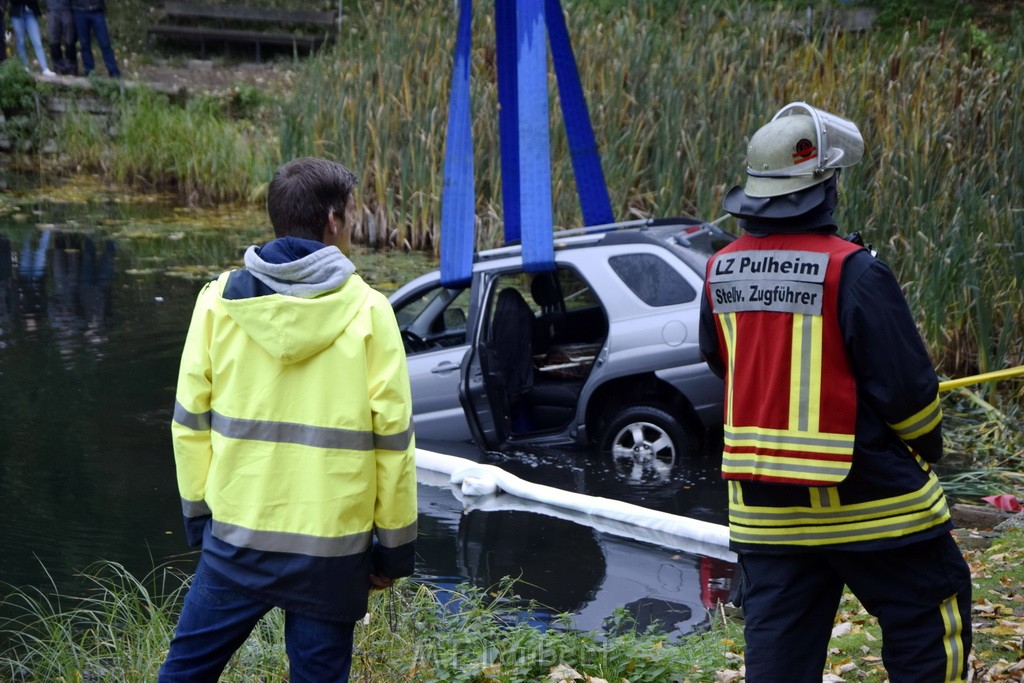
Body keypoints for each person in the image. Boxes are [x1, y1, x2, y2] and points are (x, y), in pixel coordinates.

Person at [699, 103, 972, 682]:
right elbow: (909, 393)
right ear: (823, 192)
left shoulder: (719, 271)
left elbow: (721, 363)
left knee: (778, 658)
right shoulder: (854, 271)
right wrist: (927, 448)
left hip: (765, 516)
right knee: (929, 618)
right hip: (876, 506)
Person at [160, 157, 418, 682]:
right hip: (331, 554)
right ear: (332, 221)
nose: (352, 222)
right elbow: (393, 449)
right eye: (350, 212)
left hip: (235, 541)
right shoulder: (371, 313)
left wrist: (199, 521)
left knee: (183, 675)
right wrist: (392, 554)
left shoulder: (216, 302)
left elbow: (189, 426)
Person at [71, 0, 119, 77]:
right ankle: (89, 72)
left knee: (105, 43)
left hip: (97, 10)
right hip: (79, 10)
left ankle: (114, 72)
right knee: (84, 44)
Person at [8, 0, 55, 76]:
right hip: (16, 13)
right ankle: (25, 67)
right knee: (21, 42)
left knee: (37, 41)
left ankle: (45, 68)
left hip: (30, 12)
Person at [47, 0, 77, 75]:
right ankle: (58, 66)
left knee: (69, 39)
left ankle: (72, 67)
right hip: (52, 9)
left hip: (67, 8)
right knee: (54, 39)